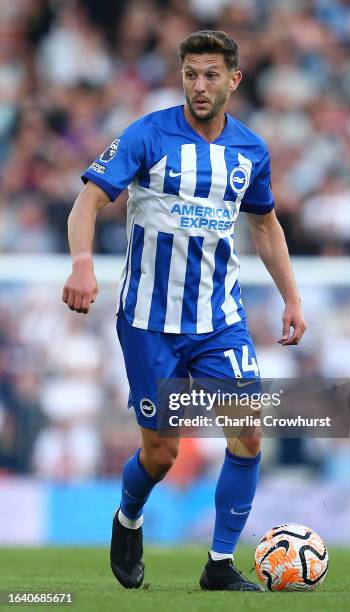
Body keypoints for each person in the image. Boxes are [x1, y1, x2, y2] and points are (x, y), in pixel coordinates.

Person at [62, 30, 306, 592]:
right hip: (149, 322)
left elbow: (264, 224)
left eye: (211, 75)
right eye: (191, 74)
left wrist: (292, 297)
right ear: (182, 77)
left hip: (220, 320)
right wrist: (81, 262)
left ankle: (219, 565)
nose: (200, 85)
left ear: (234, 81)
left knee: (247, 433)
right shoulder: (148, 134)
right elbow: (88, 200)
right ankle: (128, 518)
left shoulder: (250, 151)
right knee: (162, 453)